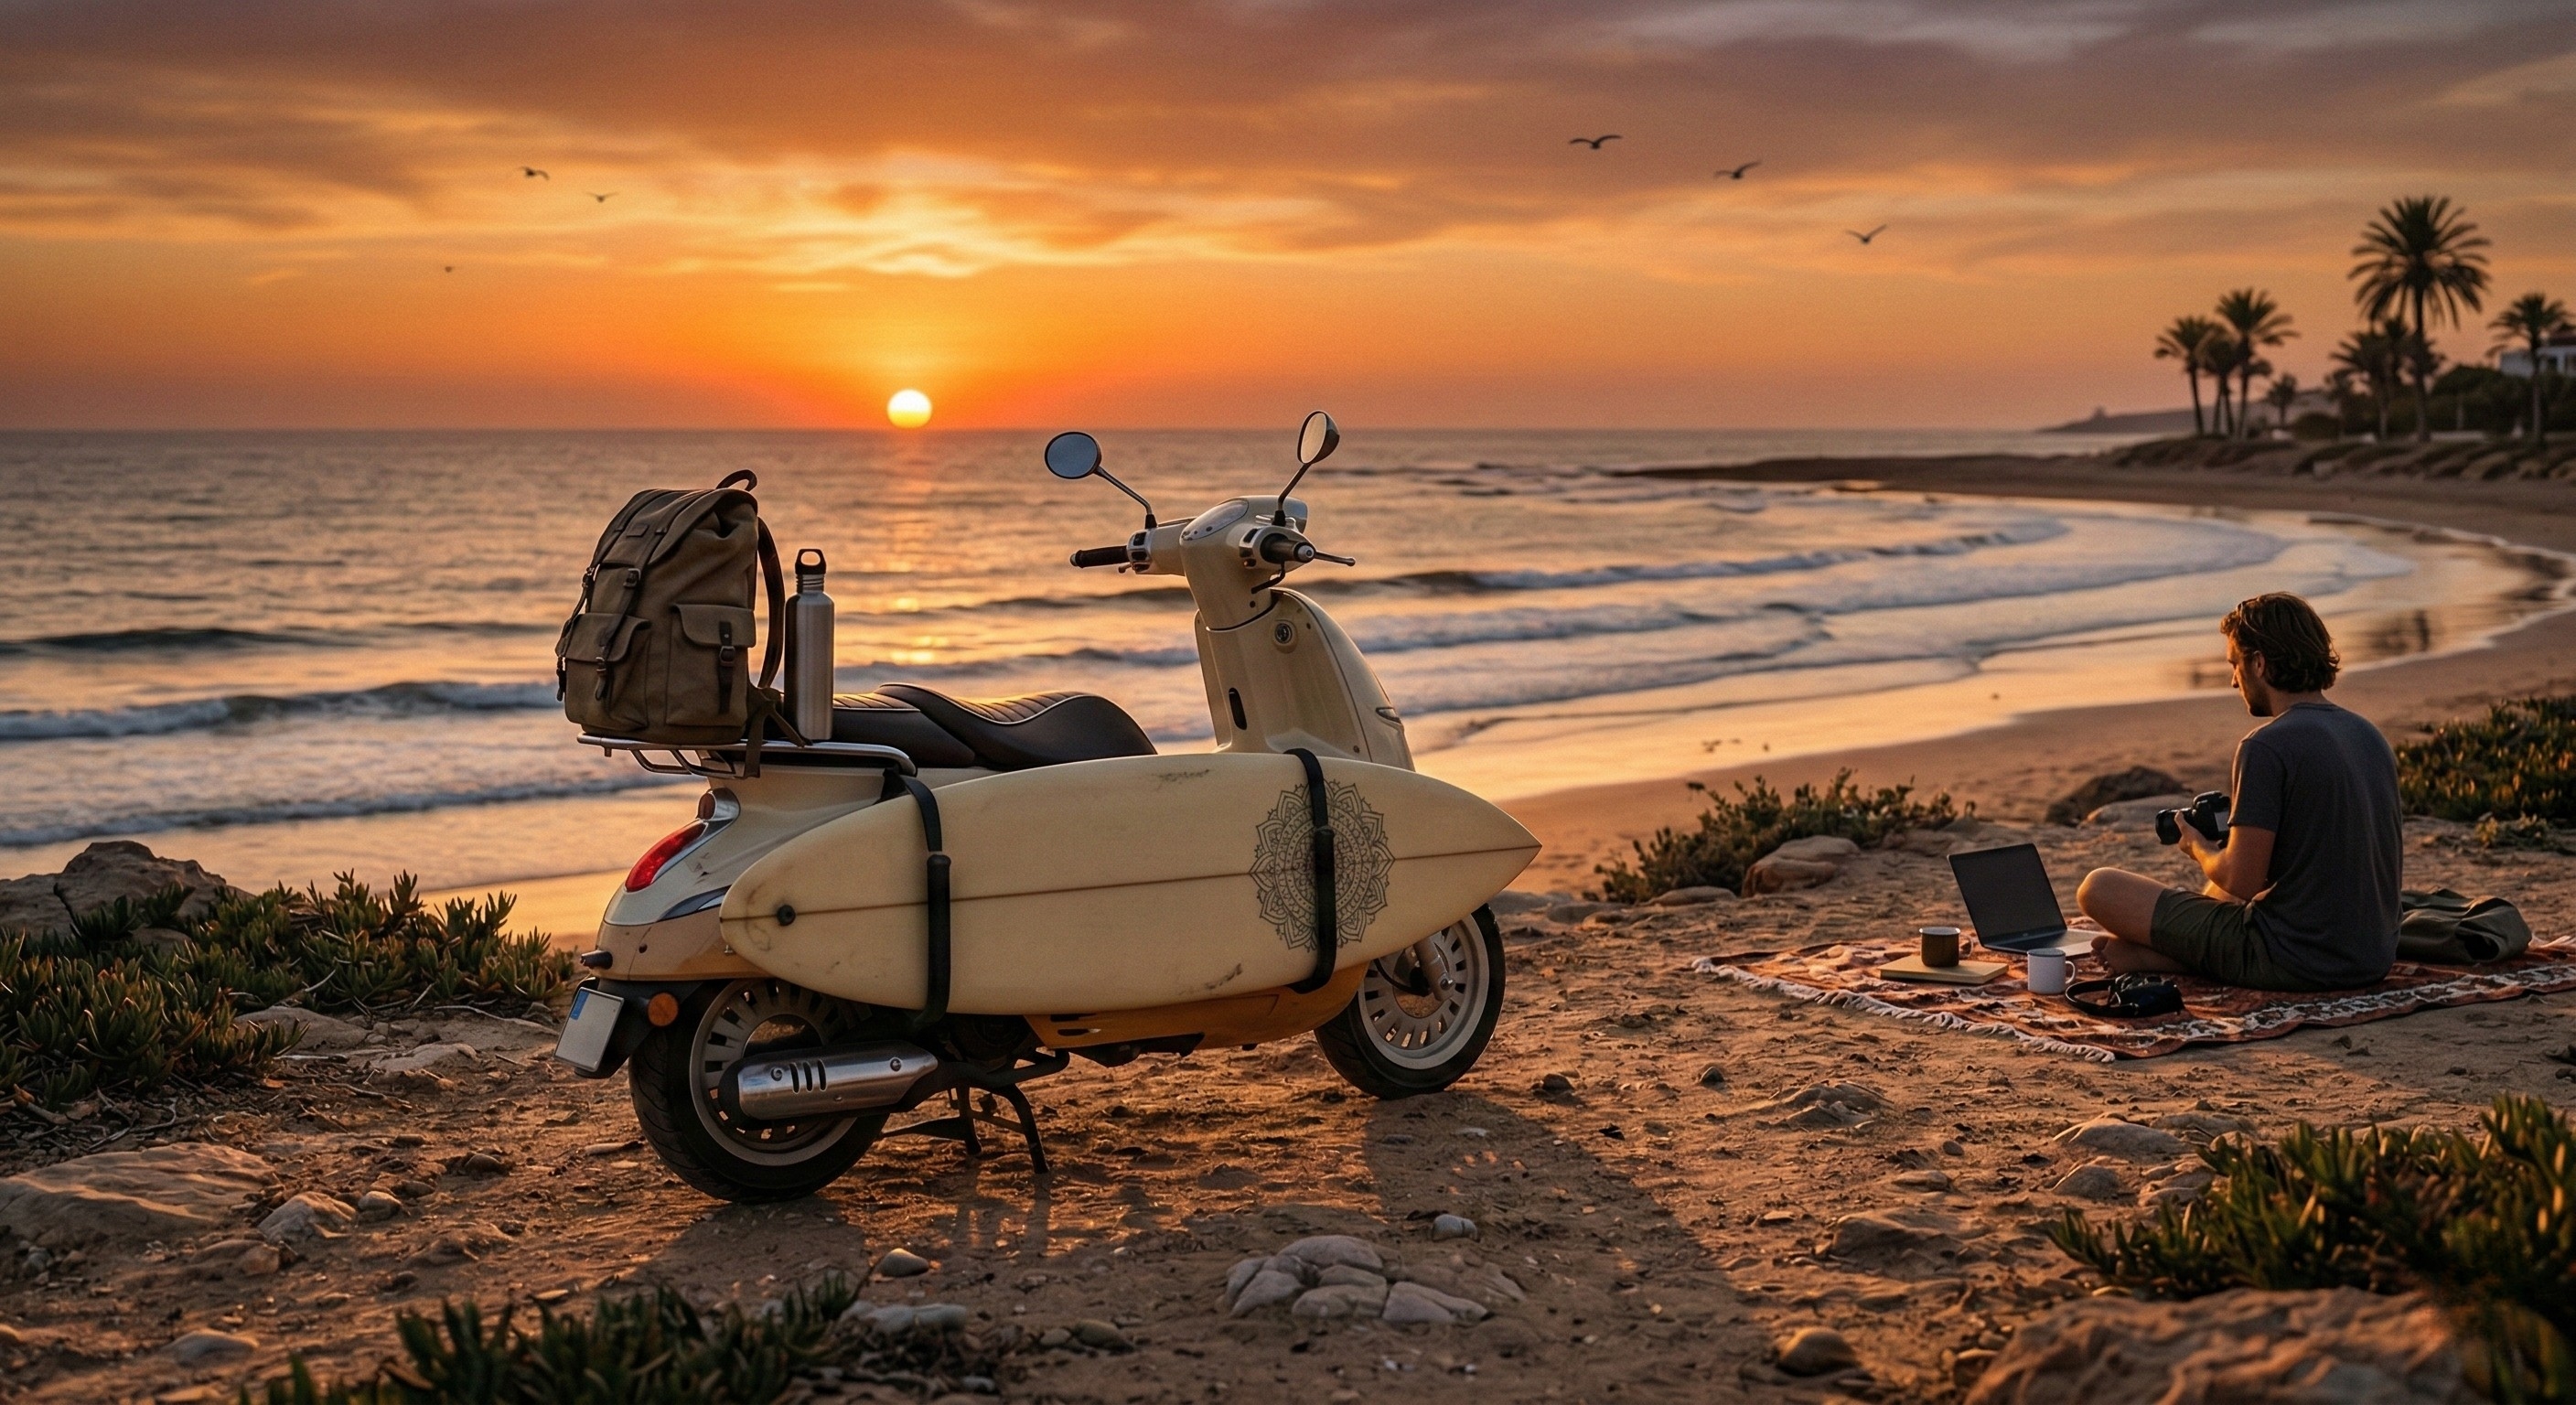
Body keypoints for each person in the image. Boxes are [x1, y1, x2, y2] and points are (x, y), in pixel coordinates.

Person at [2075, 593, 2401, 991]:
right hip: (2371, 955)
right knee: (2217, 900)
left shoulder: (2265, 746)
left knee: (2099, 887)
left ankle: (2160, 954)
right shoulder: (2368, 734)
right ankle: (2151, 956)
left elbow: (2242, 882)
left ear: (2259, 663)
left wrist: (2199, 848)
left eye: (2235, 664)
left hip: (2296, 958)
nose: (2233, 679)